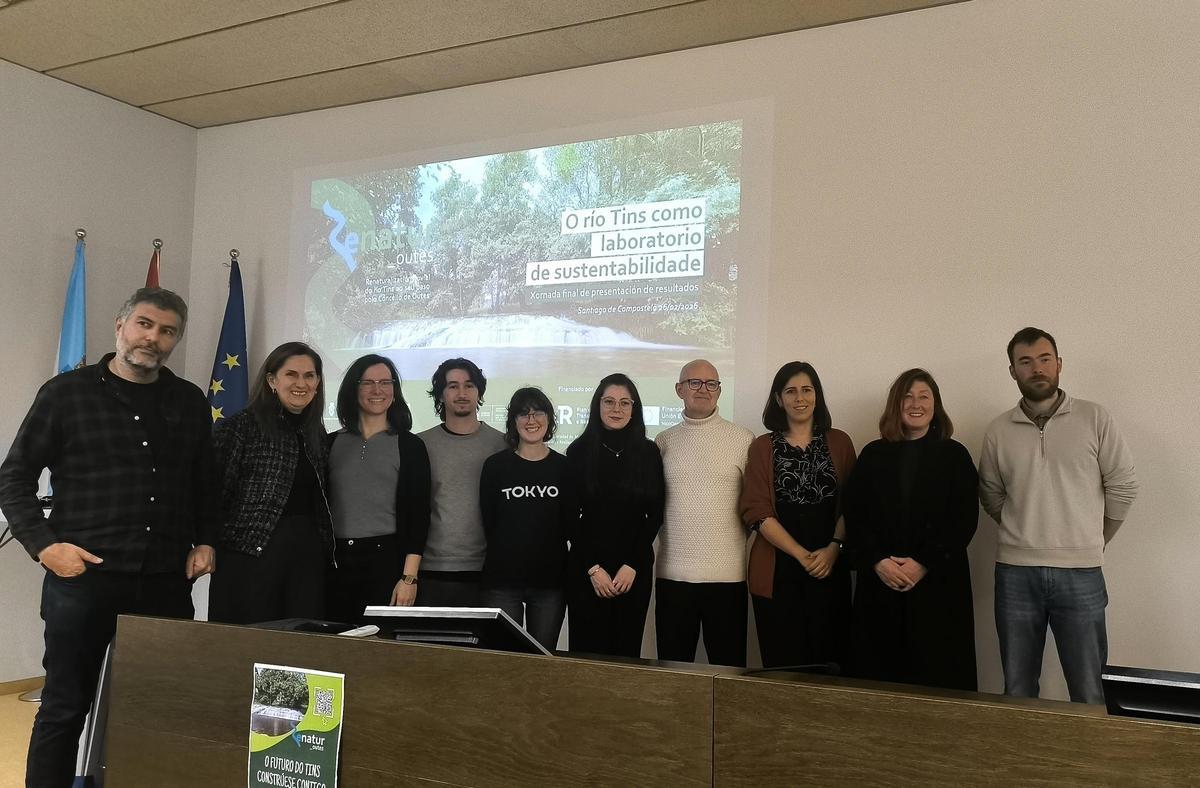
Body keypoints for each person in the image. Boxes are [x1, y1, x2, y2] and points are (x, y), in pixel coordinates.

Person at [0, 288, 216, 788]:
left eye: (167, 331)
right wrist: (45, 546)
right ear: (120, 326)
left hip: (163, 583)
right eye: (144, 324)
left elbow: (205, 481)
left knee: (156, 710)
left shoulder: (188, 401)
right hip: (83, 581)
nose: (153, 338)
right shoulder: (66, 393)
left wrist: (206, 540)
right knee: (63, 708)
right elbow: (13, 478)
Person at [979, 327, 1138, 704]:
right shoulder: (998, 430)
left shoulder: (1095, 418)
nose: (1037, 369)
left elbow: (1123, 485)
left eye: (1045, 359)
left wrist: (1094, 538)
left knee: (1089, 690)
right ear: (1013, 371)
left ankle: (1092, 762)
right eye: (1026, 362)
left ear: (1060, 364)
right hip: (1016, 573)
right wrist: (1027, 528)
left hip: (1081, 572)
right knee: (1017, 688)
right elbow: (991, 493)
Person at [843, 369, 979, 691]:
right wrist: (879, 562)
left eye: (923, 396)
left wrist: (922, 564)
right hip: (880, 584)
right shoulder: (872, 454)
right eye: (907, 396)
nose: (915, 404)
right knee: (879, 681)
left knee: (937, 679)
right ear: (896, 405)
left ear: (936, 405)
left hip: (939, 586)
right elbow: (856, 514)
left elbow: (963, 520)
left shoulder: (955, 455)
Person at [739, 361, 855, 670]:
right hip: (778, 574)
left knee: (831, 664)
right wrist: (801, 555)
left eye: (806, 390)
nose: (799, 398)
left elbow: (852, 505)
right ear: (778, 399)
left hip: (830, 570)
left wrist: (834, 549)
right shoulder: (763, 447)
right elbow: (756, 509)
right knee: (783, 666)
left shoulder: (840, 442)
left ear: (817, 395)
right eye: (790, 391)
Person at [208, 342, 334, 624]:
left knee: (300, 648)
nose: (301, 383)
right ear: (272, 380)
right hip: (249, 559)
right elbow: (215, 497)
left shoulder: (318, 434)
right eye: (291, 374)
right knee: (249, 646)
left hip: (306, 558)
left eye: (310, 376)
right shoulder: (240, 427)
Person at [654, 360, 753, 667]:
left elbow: (753, 507)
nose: (703, 390)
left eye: (711, 383)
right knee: (673, 671)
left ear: (720, 391)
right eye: (694, 382)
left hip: (727, 578)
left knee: (728, 671)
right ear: (679, 389)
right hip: (673, 576)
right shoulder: (663, 441)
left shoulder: (743, 439)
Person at [326, 354, 431, 623]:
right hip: (333, 566)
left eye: (385, 382)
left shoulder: (410, 446)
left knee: (379, 653)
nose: (377, 390)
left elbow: (419, 516)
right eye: (368, 383)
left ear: (394, 392)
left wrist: (409, 578)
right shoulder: (328, 444)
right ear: (354, 388)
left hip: (386, 565)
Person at [566, 373, 665, 658]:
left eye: (624, 402)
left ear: (634, 408)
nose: (616, 409)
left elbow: (655, 512)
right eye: (609, 401)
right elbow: (571, 517)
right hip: (588, 571)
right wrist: (593, 569)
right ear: (597, 405)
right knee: (587, 658)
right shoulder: (578, 451)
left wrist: (632, 564)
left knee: (626, 656)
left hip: (633, 571)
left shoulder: (648, 452)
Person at [478, 387, 573, 650]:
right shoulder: (495, 466)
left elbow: (569, 526)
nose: (531, 421)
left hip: (549, 585)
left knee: (541, 660)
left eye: (538, 413)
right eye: (523, 414)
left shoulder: (564, 468)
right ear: (513, 421)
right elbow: (489, 521)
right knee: (504, 661)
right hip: (501, 583)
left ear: (549, 419)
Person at [416, 358, 507, 606]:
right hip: (431, 570)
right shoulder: (419, 445)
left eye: (469, 385)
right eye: (453, 386)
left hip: (488, 571)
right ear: (441, 394)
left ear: (479, 391)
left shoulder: (504, 445)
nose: (462, 393)